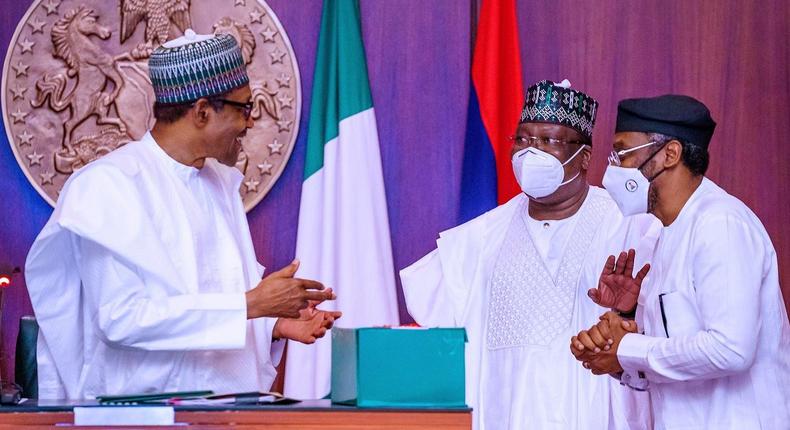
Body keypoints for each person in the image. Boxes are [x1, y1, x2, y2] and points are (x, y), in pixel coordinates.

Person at [25, 31, 341, 400]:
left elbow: (212, 304)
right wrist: (252, 304)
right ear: (203, 111)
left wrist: (273, 322)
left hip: (228, 413)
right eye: (244, 108)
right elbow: (121, 320)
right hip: (142, 419)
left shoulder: (218, 183)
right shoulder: (106, 186)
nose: (250, 122)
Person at [401, 80, 659, 429]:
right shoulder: (478, 239)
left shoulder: (629, 226)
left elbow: (664, 332)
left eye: (548, 141)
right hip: (504, 413)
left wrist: (626, 310)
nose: (529, 151)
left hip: (596, 415)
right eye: (522, 139)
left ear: (584, 157)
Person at [572, 94, 790, 429]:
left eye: (622, 153)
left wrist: (627, 348)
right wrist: (619, 351)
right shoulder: (663, 235)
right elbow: (676, 363)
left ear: (669, 154)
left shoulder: (720, 224)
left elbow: (731, 350)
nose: (611, 169)